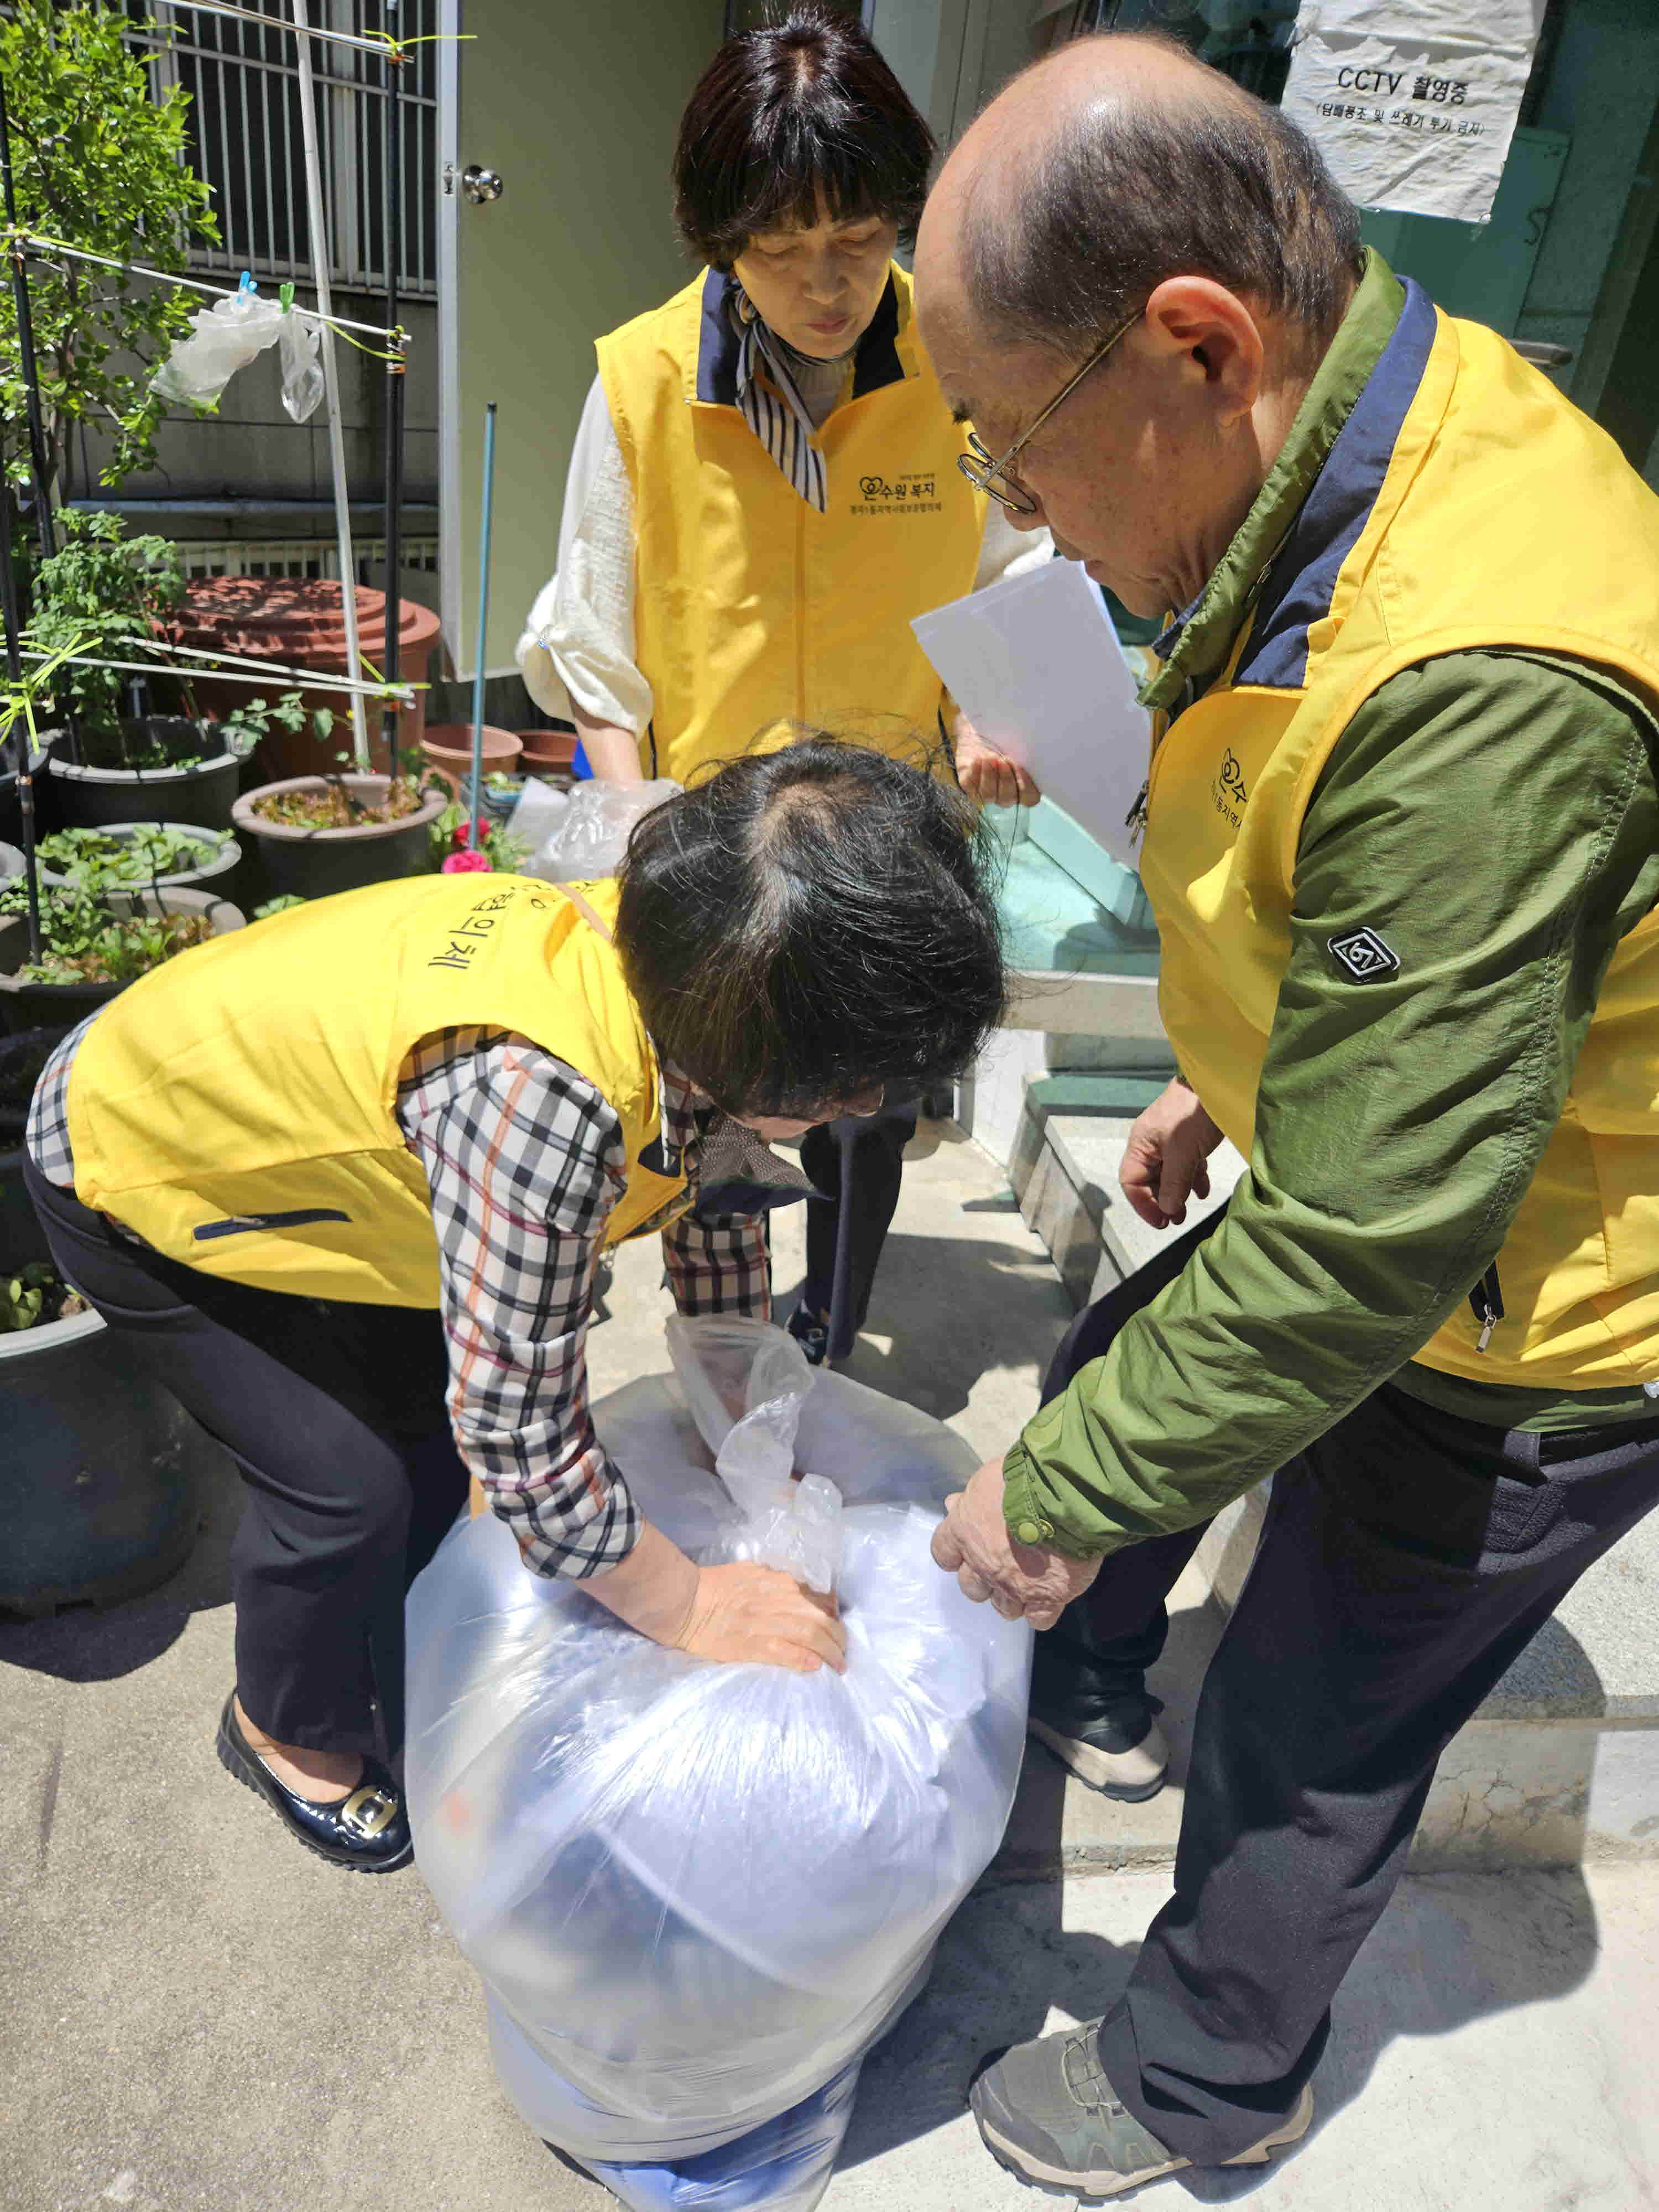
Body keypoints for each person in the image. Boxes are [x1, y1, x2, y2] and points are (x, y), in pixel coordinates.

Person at [915, 28, 1659, 2199]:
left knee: (1319, 1712)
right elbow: (1338, 875)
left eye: (1018, 456)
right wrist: (1236, 1093)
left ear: (1196, 343)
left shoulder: (1488, 684)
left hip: (1539, 1302)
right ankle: (1105, 1662)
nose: (1019, 518)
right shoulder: (1349, 446)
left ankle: (1204, 2074)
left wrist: (1043, 1500)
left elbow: (1372, 1245)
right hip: (1409, 1172)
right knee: (1123, 1364)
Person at [24, 739, 1005, 1875]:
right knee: (346, 1486)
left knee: (432, 1447)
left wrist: (747, 1430)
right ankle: (285, 1729)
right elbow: (523, 1434)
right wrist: (689, 1604)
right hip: (141, 1166)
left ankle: (386, 1649)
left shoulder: (678, 964)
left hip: (324, 1168)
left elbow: (714, 1204)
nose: (869, 1105)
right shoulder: (542, 1094)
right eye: (853, 1088)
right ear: (754, 1055)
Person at [518, 3, 1050, 1371]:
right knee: (723, 1104)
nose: (830, 285)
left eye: (863, 241)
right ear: (719, 239)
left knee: (871, 1102)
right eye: (783, 248)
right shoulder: (638, 384)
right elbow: (596, 644)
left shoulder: (962, 355)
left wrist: (998, 709)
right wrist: (634, 818)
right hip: (722, 836)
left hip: (887, 828)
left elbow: (1020, 564)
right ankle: (732, 1341)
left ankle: (835, 1318)